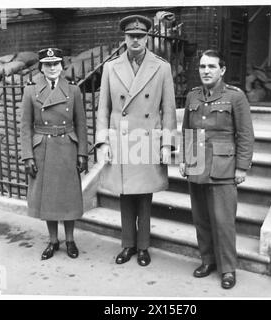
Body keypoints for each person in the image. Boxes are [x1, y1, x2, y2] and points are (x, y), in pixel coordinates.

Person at [95, 15, 177, 267]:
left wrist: (166, 144)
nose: (135, 40)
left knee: (144, 196)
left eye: (140, 36)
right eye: (131, 36)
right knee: (125, 195)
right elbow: (103, 109)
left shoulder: (161, 67)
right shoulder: (111, 67)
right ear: (125, 38)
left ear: (147, 38)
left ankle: (143, 247)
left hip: (147, 138)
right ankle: (127, 245)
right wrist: (103, 142)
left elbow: (169, 109)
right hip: (120, 140)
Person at [179, 50, 254, 289]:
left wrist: (242, 167)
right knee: (201, 219)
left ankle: (228, 269)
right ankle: (207, 260)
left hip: (223, 168)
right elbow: (187, 131)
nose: (206, 71)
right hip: (196, 164)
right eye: (202, 67)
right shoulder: (192, 96)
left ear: (222, 70)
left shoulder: (235, 97)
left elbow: (245, 134)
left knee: (223, 221)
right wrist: (184, 159)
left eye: (211, 66)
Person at [21, 48, 88, 260]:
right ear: (41, 67)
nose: (52, 68)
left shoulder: (73, 90)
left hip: (67, 145)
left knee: (68, 197)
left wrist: (83, 154)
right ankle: (52, 241)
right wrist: (28, 156)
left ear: (62, 66)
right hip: (43, 148)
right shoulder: (30, 91)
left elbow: (81, 124)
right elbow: (25, 126)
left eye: (56, 64)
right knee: (48, 198)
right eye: (47, 64)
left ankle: (70, 240)